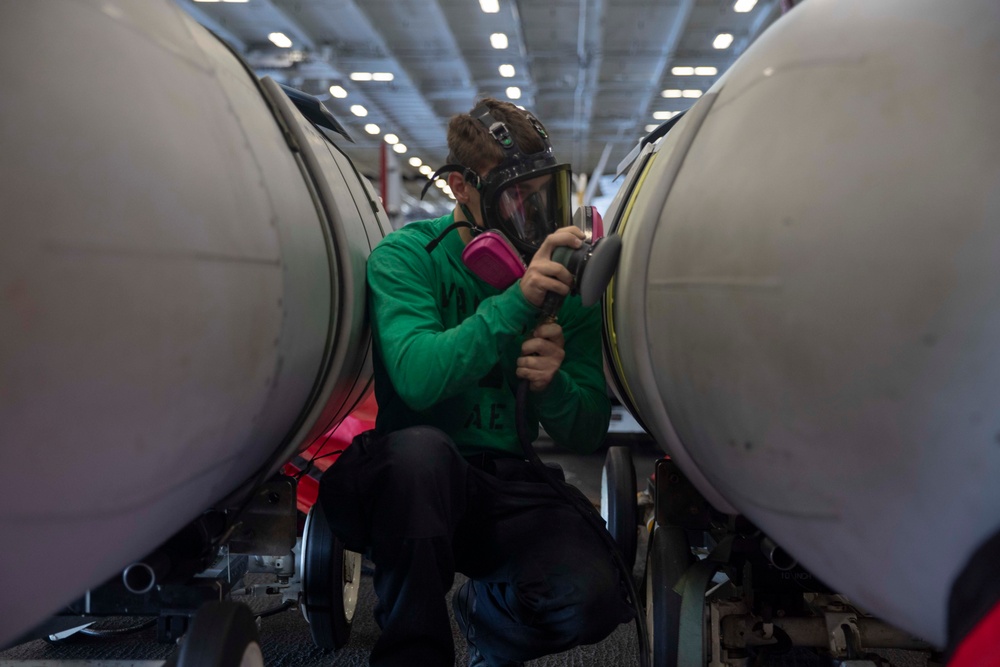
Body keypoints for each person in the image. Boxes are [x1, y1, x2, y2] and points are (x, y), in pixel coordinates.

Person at [317, 97, 633, 667]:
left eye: (543, 193)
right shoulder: (408, 257)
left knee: (595, 597)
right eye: (517, 196)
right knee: (421, 453)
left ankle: (482, 618)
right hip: (405, 485)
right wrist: (514, 306)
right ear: (462, 188)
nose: (532, 214)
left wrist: (553, 385)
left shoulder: (562, 281)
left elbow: (586, 431)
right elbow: (416, 378)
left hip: (505, 480)